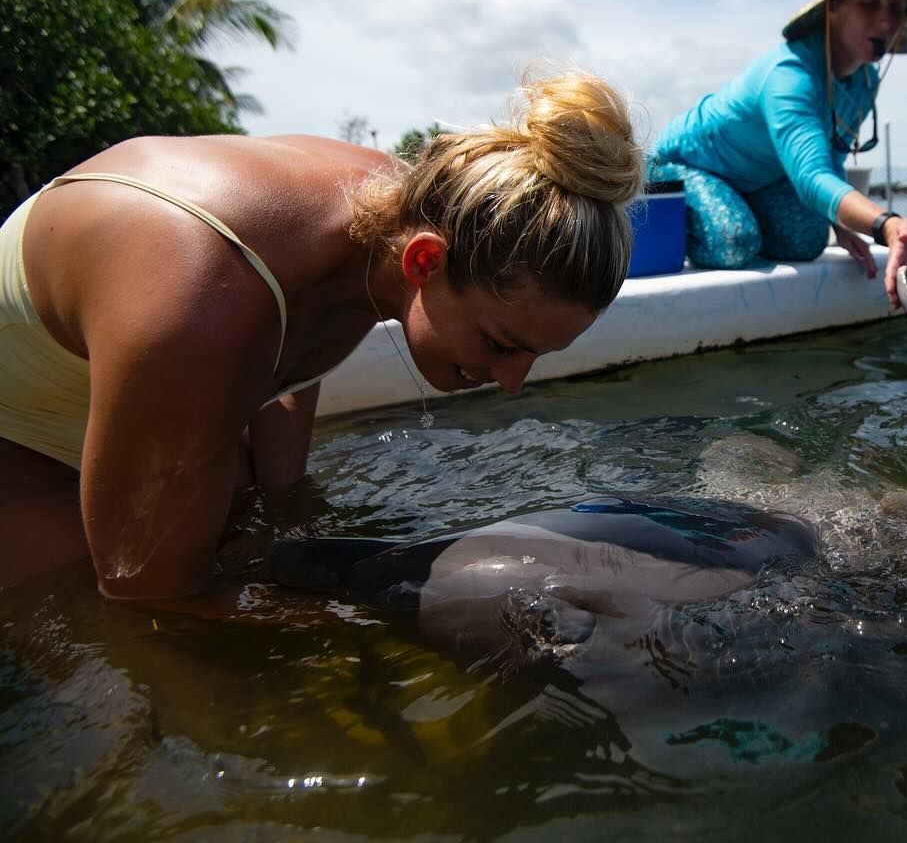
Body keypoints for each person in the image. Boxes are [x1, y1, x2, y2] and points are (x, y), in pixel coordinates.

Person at [0, 71, 646, 599]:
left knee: (248, 517)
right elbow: (142, 592)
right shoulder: (203, 305)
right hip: (19, 433)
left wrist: (292, 524)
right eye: (503, 344)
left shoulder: (395, 217)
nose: (512, 383)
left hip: (153, 384)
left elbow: (289, 370)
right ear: (424, 262)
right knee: (90, 601)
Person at [650, 0, 907, 308]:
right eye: (870, 3)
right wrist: (886, 224)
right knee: (735, 241)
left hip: (759, 177)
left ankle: (732, 216)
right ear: (834, 7)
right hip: (689, 164)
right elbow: (811, 177)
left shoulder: (864, 79)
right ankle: (683, 217)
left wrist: (842, 224)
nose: (887, 22)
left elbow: (832, 157)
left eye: (898, 9)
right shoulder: (790, 75)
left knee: (809, 238)